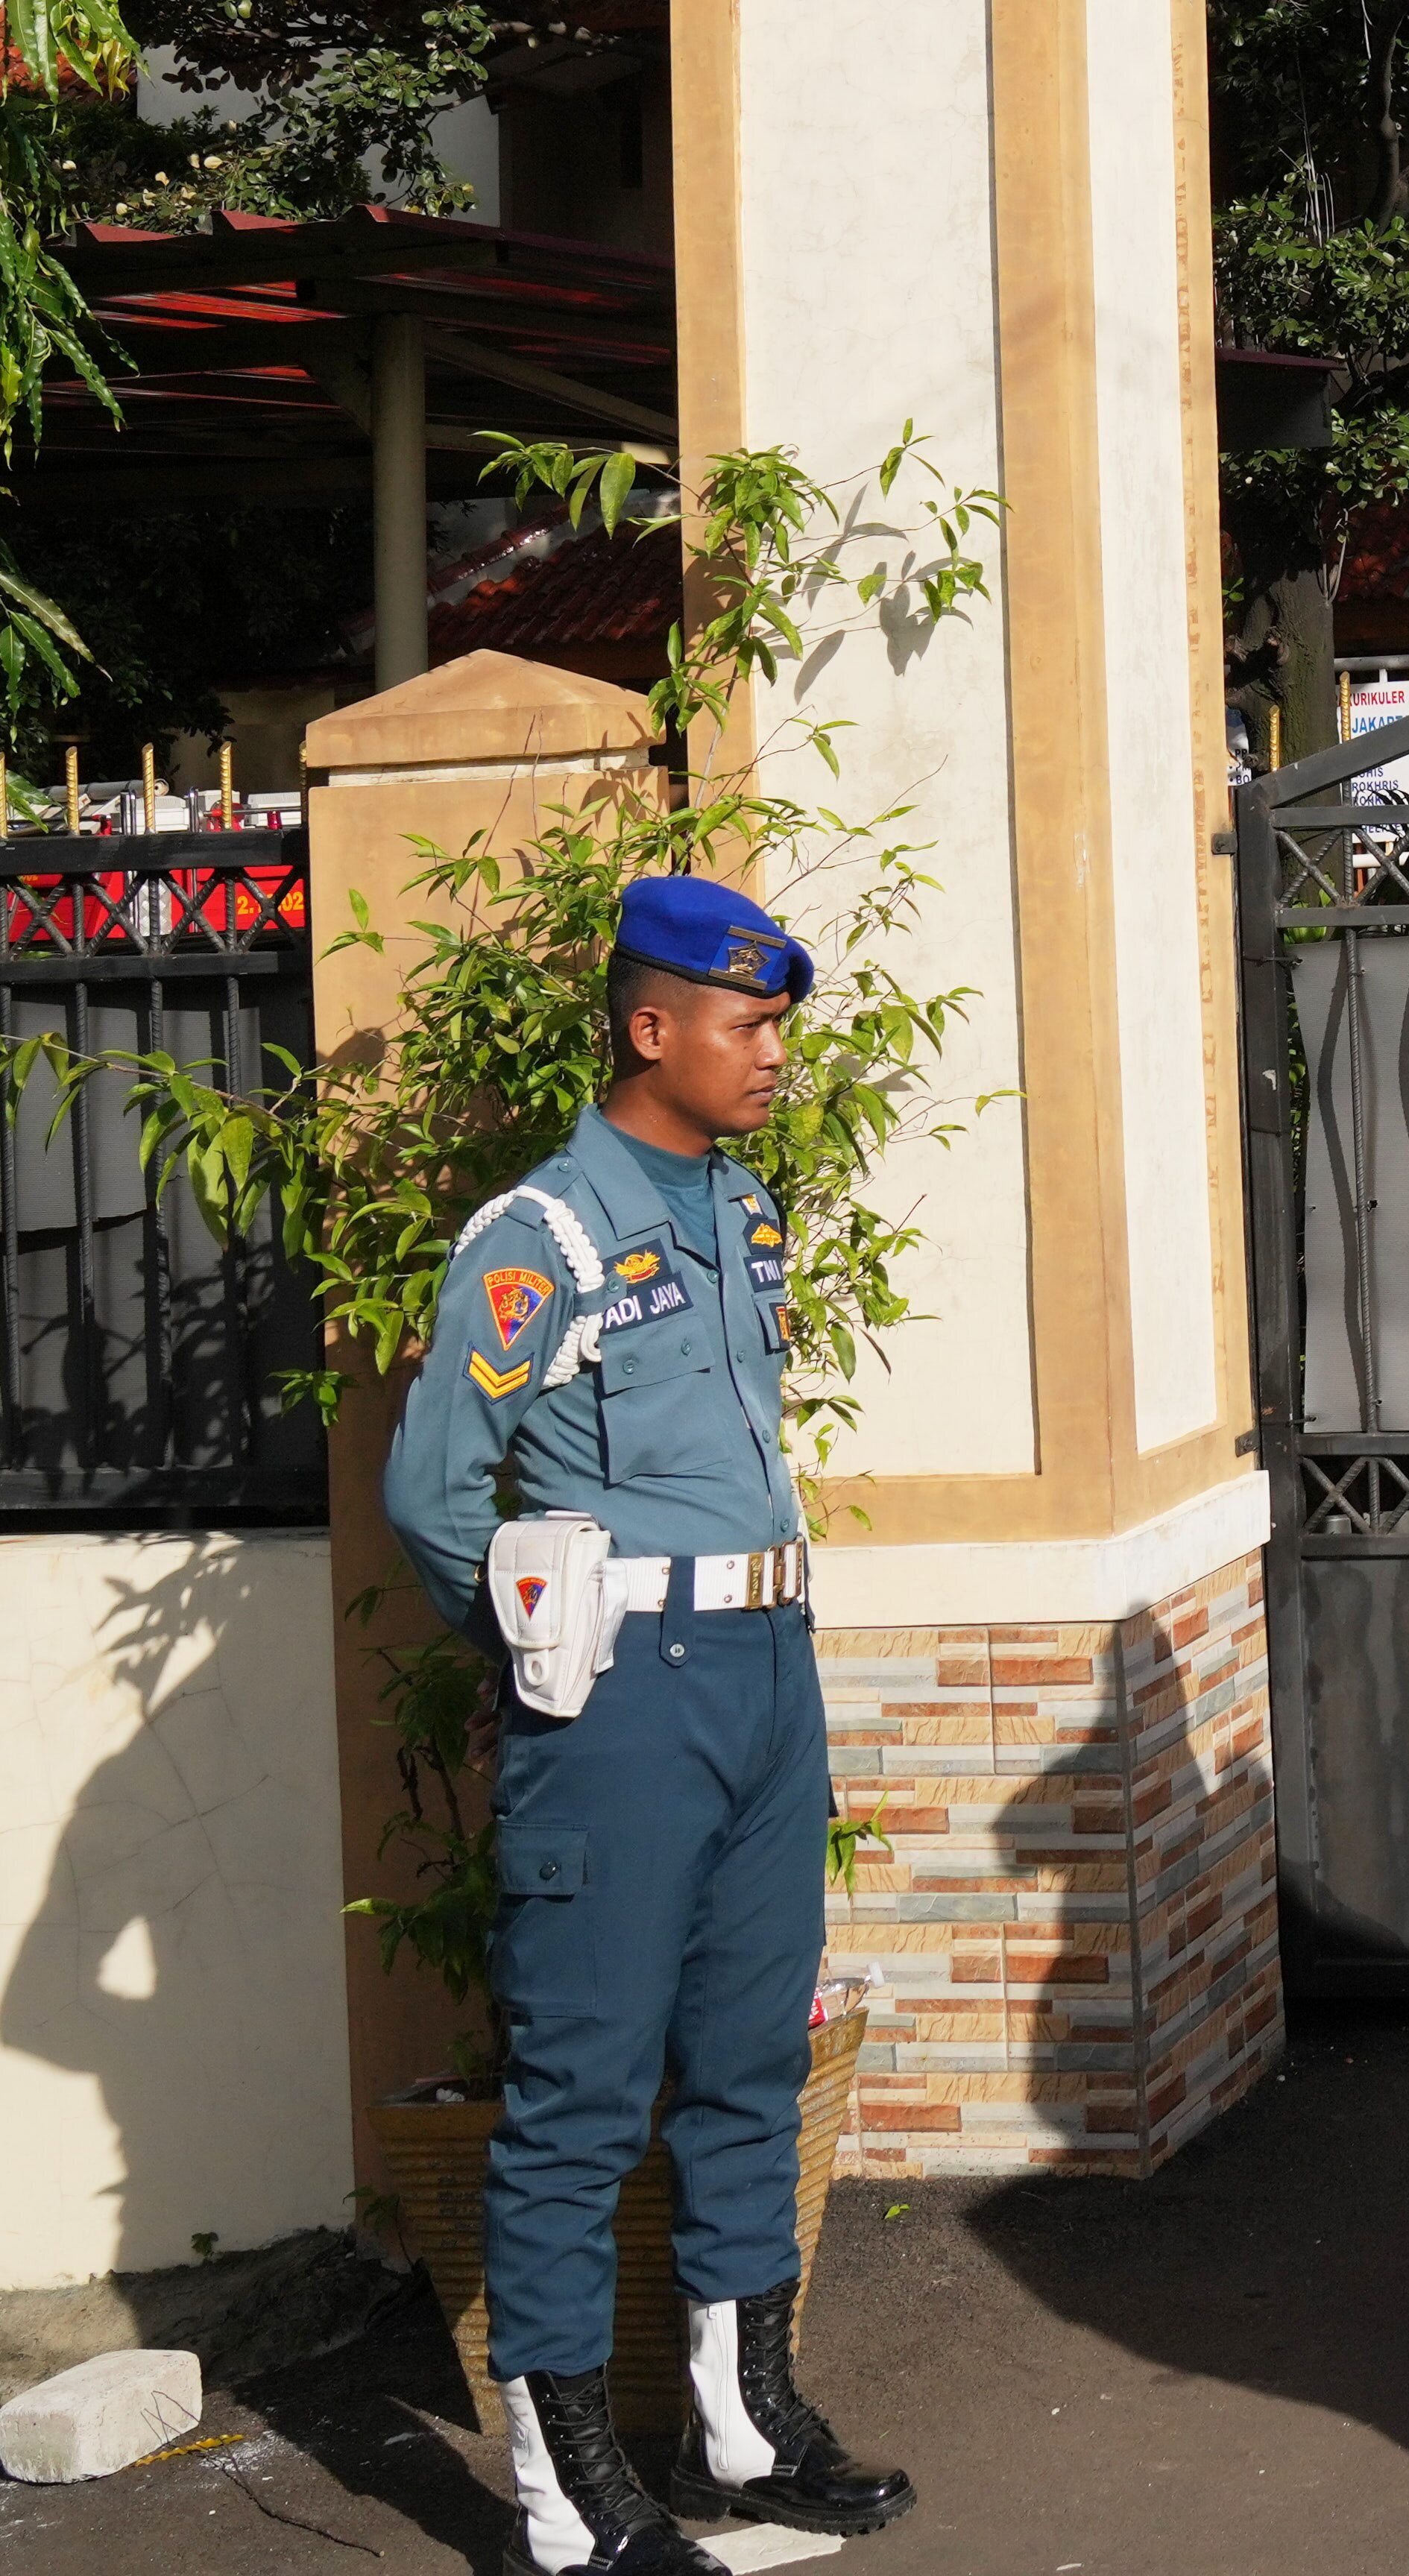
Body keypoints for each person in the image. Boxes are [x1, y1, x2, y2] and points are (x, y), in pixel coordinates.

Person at [380, 875, 913, 2576]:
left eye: (778, 1028)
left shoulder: (741, 1212)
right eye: (750, 1028)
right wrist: (555, 1650)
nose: (774, 1057)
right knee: (584, 2094)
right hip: (622, 1696)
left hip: (767, 1672)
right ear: (651, 1027)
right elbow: (432, 1493)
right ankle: (562, 2494)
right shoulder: (537, 1240)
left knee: (752, 2057)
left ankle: (741, 2420)